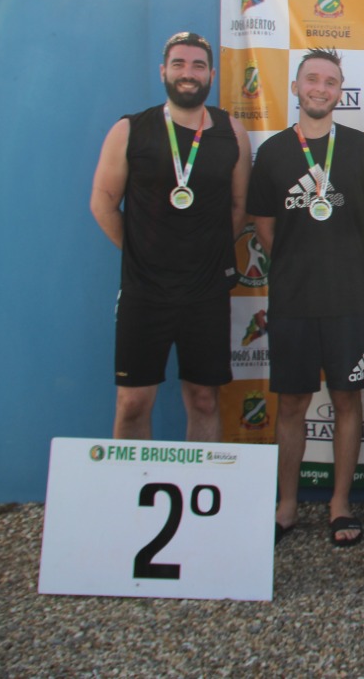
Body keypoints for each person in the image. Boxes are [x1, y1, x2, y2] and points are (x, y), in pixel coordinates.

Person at [247, 48, 364, 547]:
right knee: (291, 404)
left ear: (340, 91)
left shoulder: (360, 148)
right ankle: (286, 505)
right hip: (293, 300)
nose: (320, 88)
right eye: (312, 79)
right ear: (297, 87)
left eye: (330, 81)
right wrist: (297, 263)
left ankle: (339, 504)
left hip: (349, 298)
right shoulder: (275, 152)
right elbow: (263, 225)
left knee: (348, 401)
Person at [90, 31, 250, 442]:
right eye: (179, 64)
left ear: (211, 74)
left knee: (203, 399)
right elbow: (103, 203)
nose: (188, 73)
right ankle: (128, 498)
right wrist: (141, 253)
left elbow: (238, 207)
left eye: (198, 65)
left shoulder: (232, 133)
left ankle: (202, 488)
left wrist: (205, 253)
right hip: (145, 292)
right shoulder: (130, 130)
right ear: (163, 71)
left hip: (206, 291)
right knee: (132, 403)